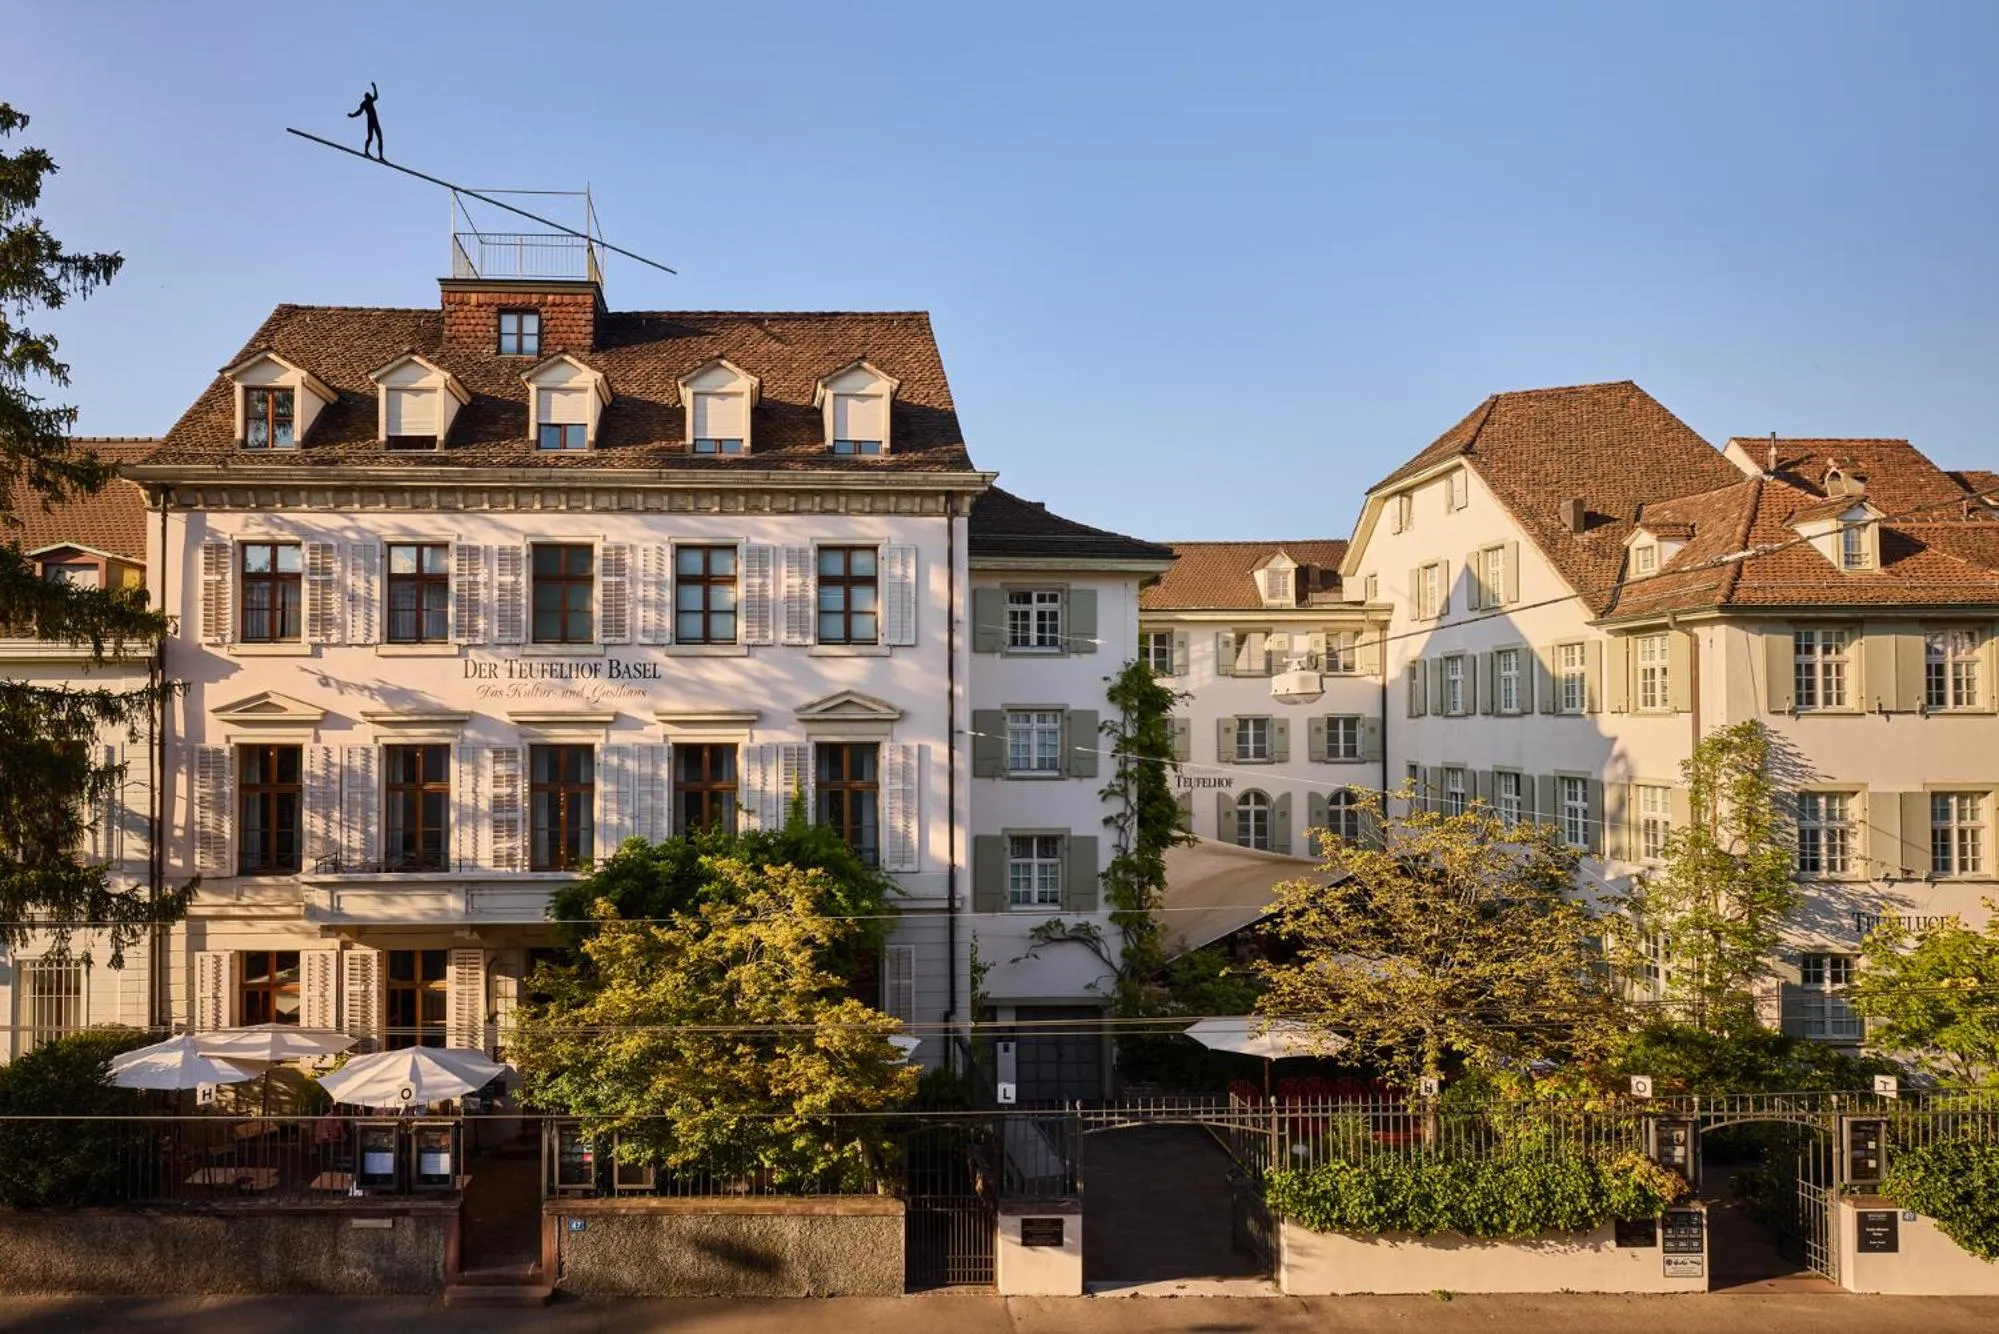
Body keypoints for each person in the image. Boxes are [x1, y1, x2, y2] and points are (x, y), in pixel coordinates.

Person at [348, 82, 383, 160]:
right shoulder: (364, 103)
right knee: (370, 138)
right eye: (367, 96)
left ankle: (380, 156)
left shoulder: (370, 101)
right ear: (366, 98)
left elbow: (376, 97)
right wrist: (353, 115)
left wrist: (374, 87)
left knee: (380, 138)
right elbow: (359, 112)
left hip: (375, 122)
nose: (369, 97)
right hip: (371, 122)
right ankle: (366, 151)